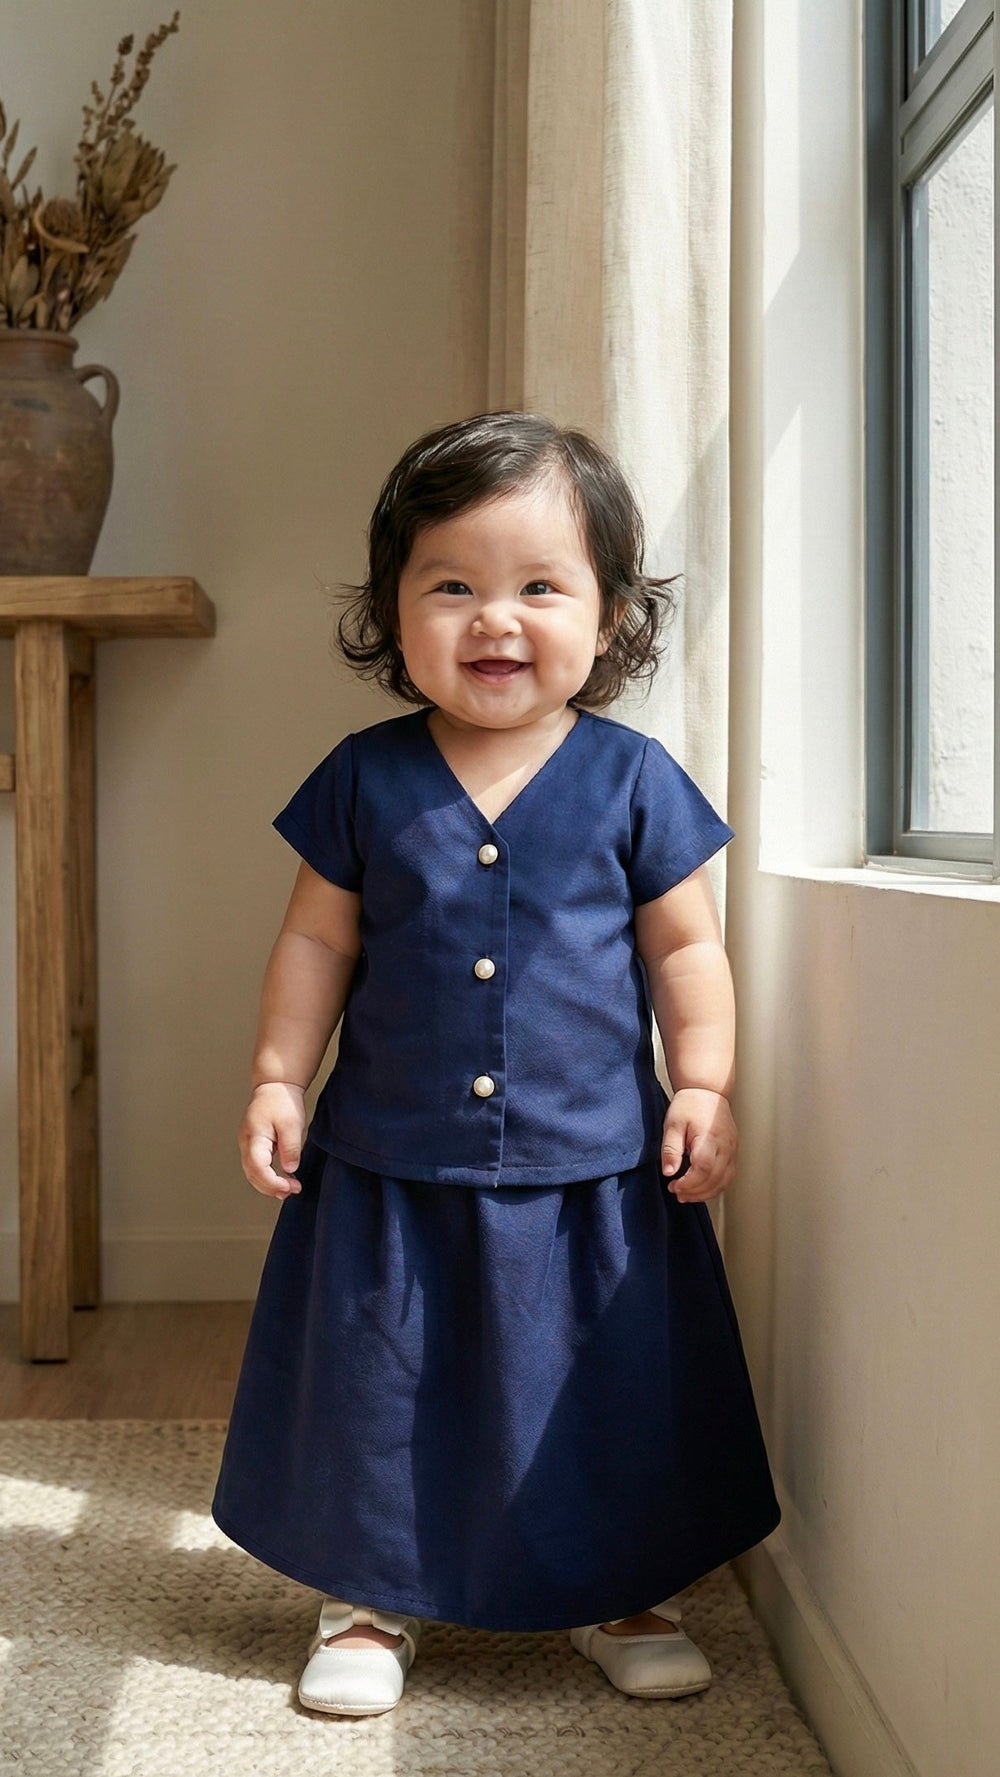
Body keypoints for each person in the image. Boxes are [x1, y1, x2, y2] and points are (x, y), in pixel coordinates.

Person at [212, 411, 780, 1717]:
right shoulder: (365, 780)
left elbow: (688, 950)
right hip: (387, 1160)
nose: (493, 619)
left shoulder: (636, 781)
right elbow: (313, 941)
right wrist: (277, 1078)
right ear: (393, 610)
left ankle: (623, 1585)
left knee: (604, 1377)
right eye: (451, 585)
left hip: (595, 1169)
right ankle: (368, 1596)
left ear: (612, 612)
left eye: (538, 586)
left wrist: (702, 1083)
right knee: (378, 1381)